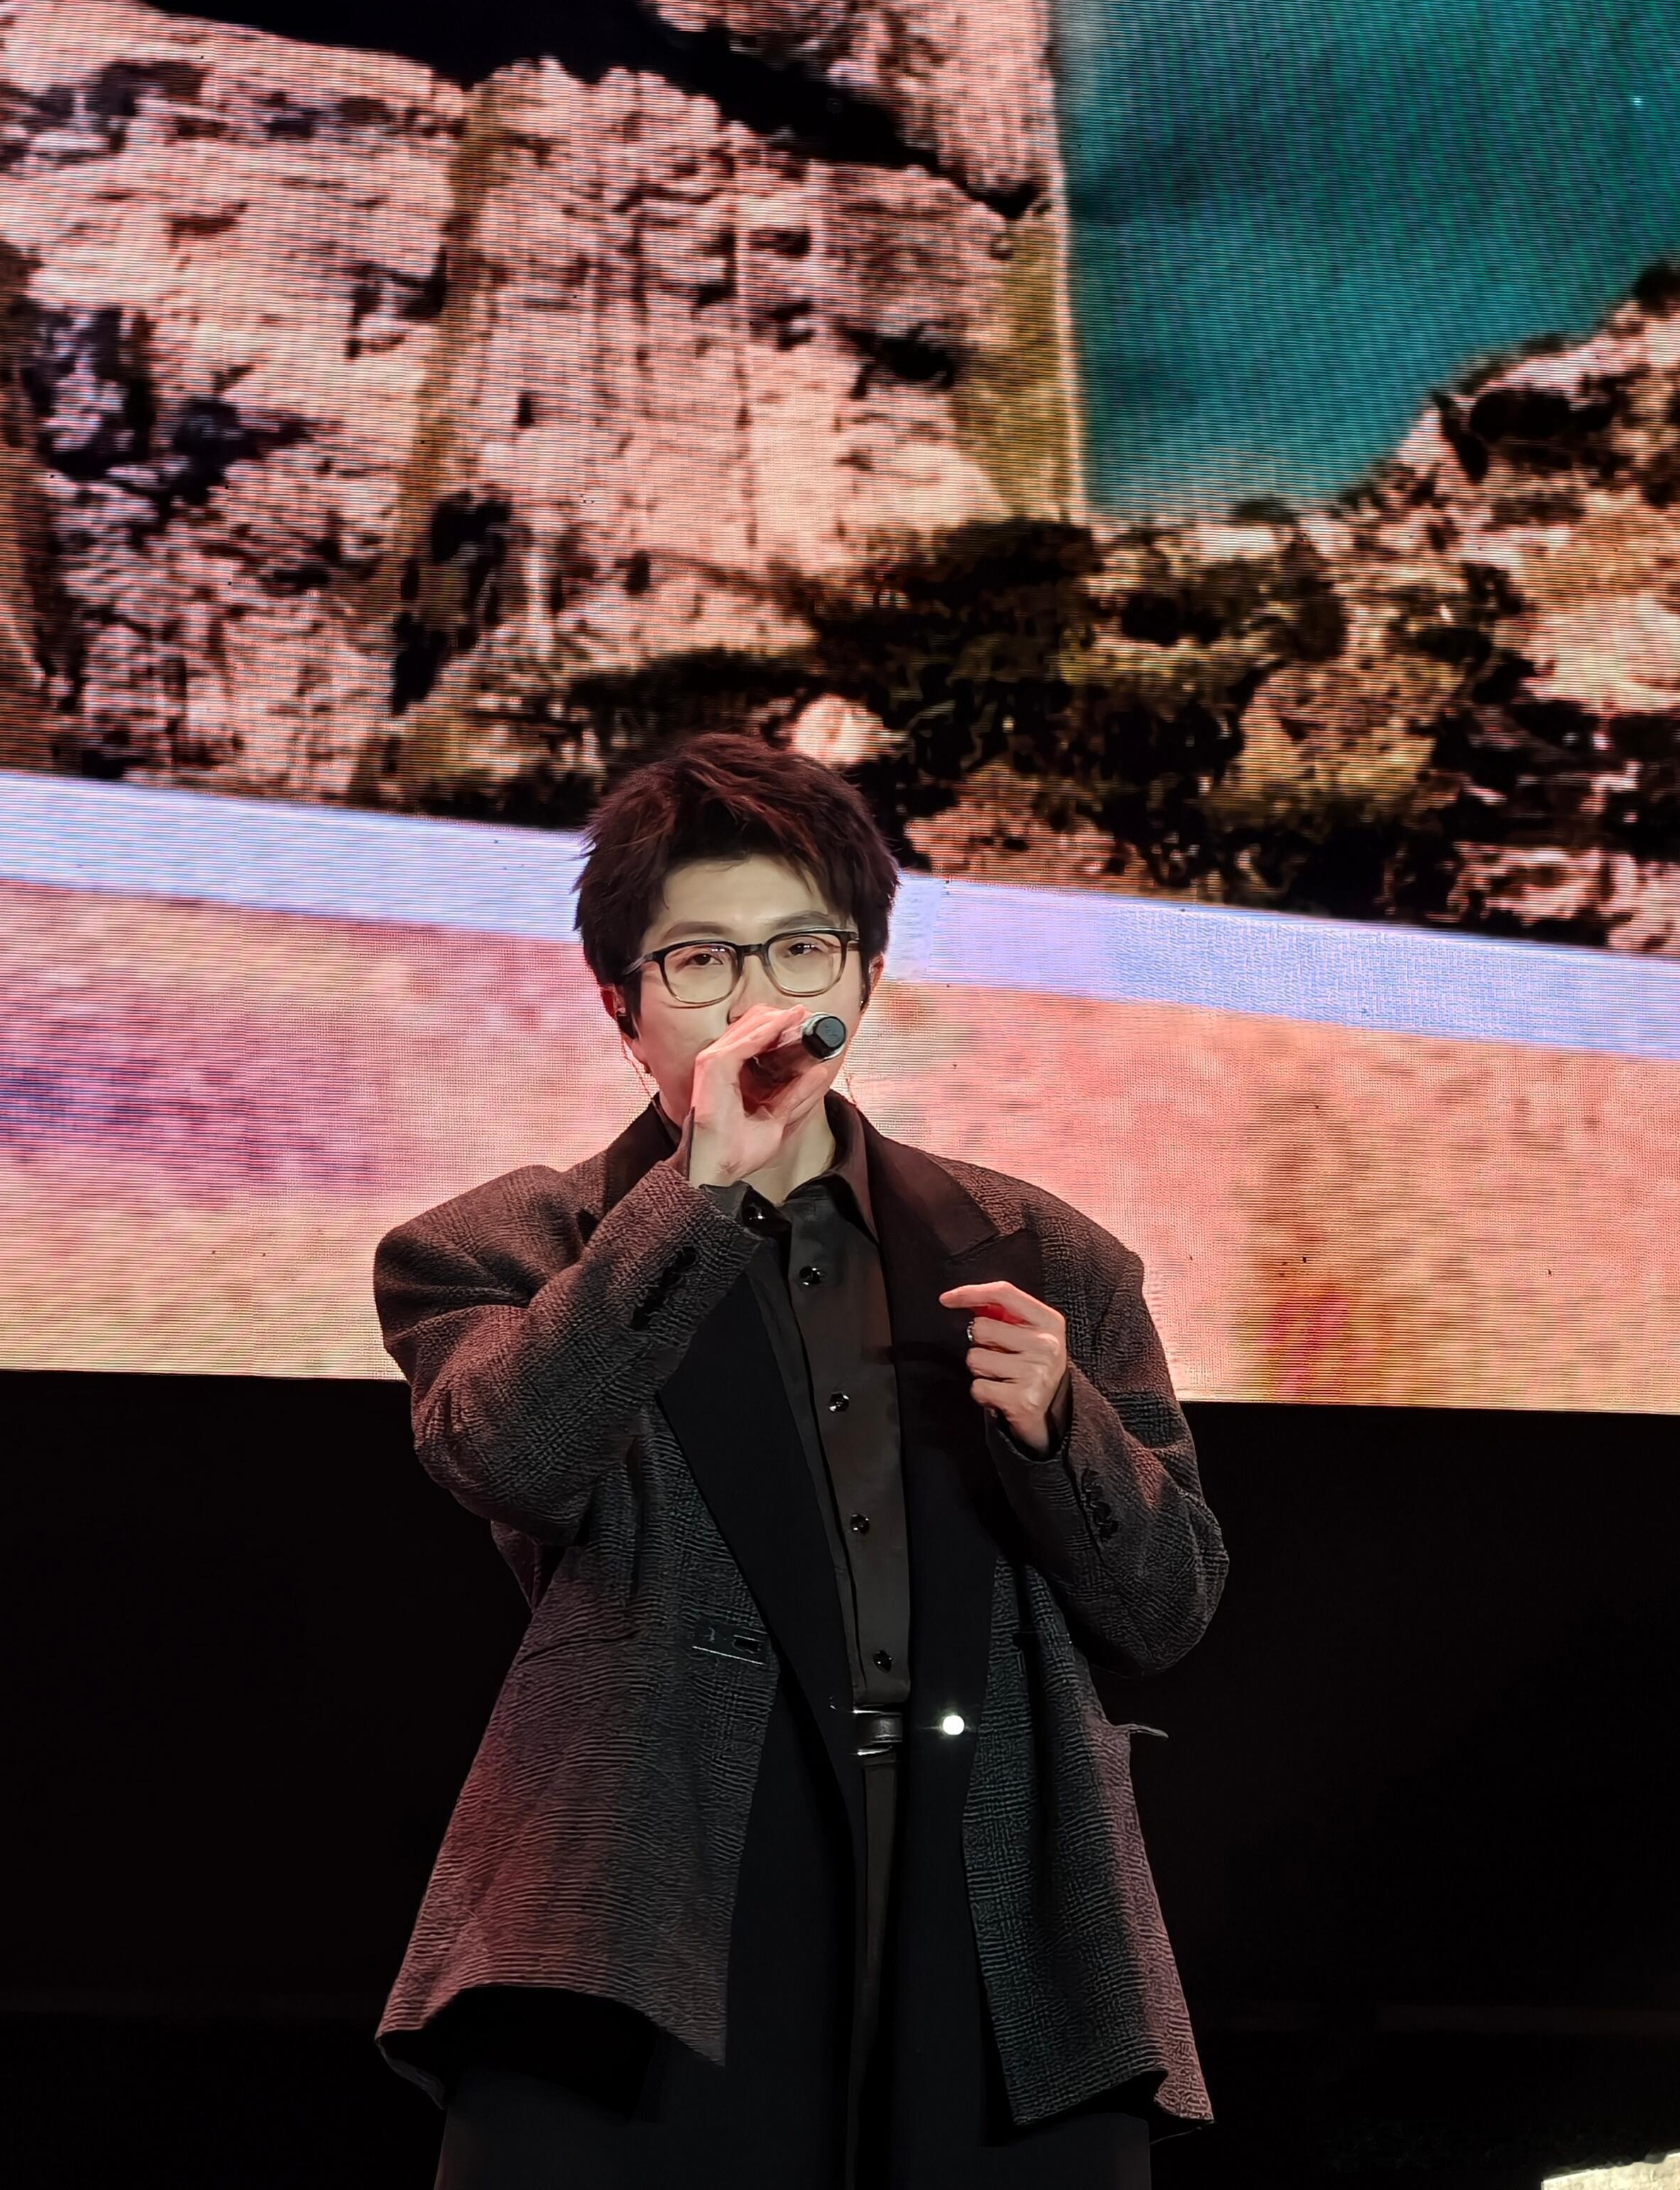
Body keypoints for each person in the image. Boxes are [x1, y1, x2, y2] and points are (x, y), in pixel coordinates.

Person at [371, 731, 1228, 2190]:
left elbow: (1168, 1610)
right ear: (622, 1009)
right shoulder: (502, 1247)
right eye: (702, 960)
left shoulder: (1047, 1256)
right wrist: (700, 1188)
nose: (759, 999)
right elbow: (509, 1458)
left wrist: (1059, 1424)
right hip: (659, 1895)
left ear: (865, 981)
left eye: (799, 950)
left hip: (989, 1892)